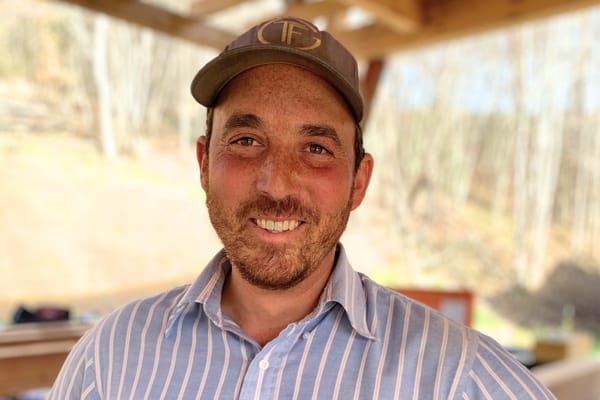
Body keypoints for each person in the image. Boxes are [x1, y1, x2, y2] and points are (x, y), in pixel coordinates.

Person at [49, 16, 555, 399]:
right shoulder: (109, 360)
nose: (276, 182)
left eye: (316, 149)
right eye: (246, 140)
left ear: (359, 181)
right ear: (204, 163)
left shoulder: (455, 376)